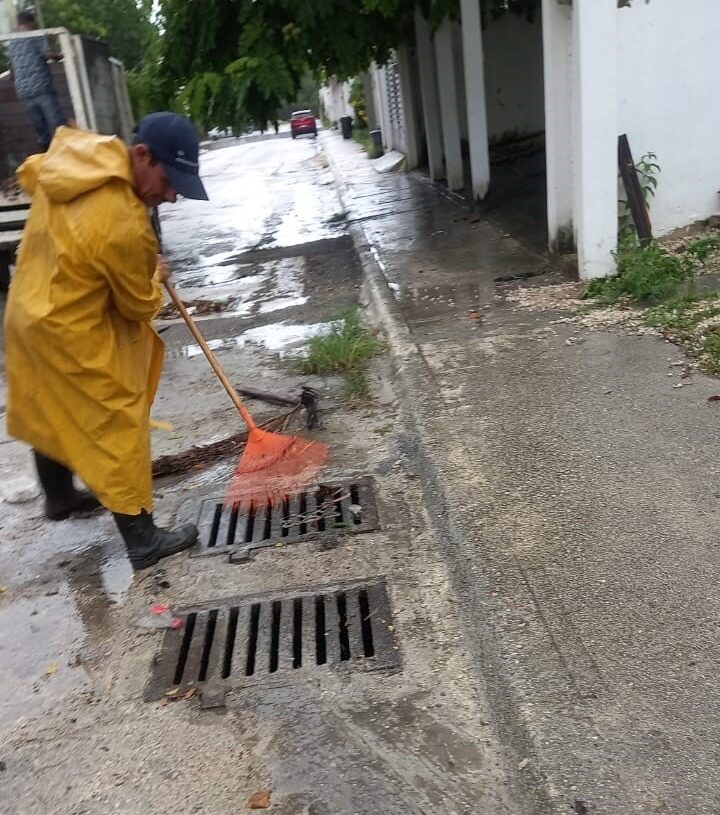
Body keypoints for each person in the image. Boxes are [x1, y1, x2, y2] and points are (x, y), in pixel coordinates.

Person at [4, 112, 209, 571]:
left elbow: (34, 173)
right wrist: (154, 274)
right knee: (116, 417)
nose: (171, 196)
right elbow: (137, 306)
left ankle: (59, 496)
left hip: (28, 312)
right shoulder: (123, 222)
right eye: (168, 181)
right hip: (68, 328)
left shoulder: (81, 157)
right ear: (142, 154)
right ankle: (143, 540)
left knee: (51, 404)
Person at [6, 10, 67, 151]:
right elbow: (47, 55)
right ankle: (67, 153)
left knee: (40, 128)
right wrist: (63, 55)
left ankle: (45, 155)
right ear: (32, 22)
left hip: (23, 91)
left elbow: (12, 70)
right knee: (58, 123)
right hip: (41, 86)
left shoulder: (12, 42)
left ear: (18, 24)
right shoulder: (35, 35)